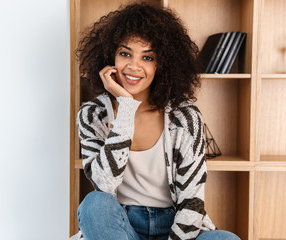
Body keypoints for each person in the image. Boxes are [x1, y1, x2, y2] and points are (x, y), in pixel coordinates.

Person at [71, 3, 240, 240]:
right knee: (94, 204)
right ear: (110, 57)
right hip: (120, 227)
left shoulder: (185, 117)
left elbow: (192, 202)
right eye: (125, 53)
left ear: (162, 64)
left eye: (147, 57)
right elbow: (104, 184)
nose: (133, 66)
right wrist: (126, 108)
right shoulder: (93, 114)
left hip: (175, 224)